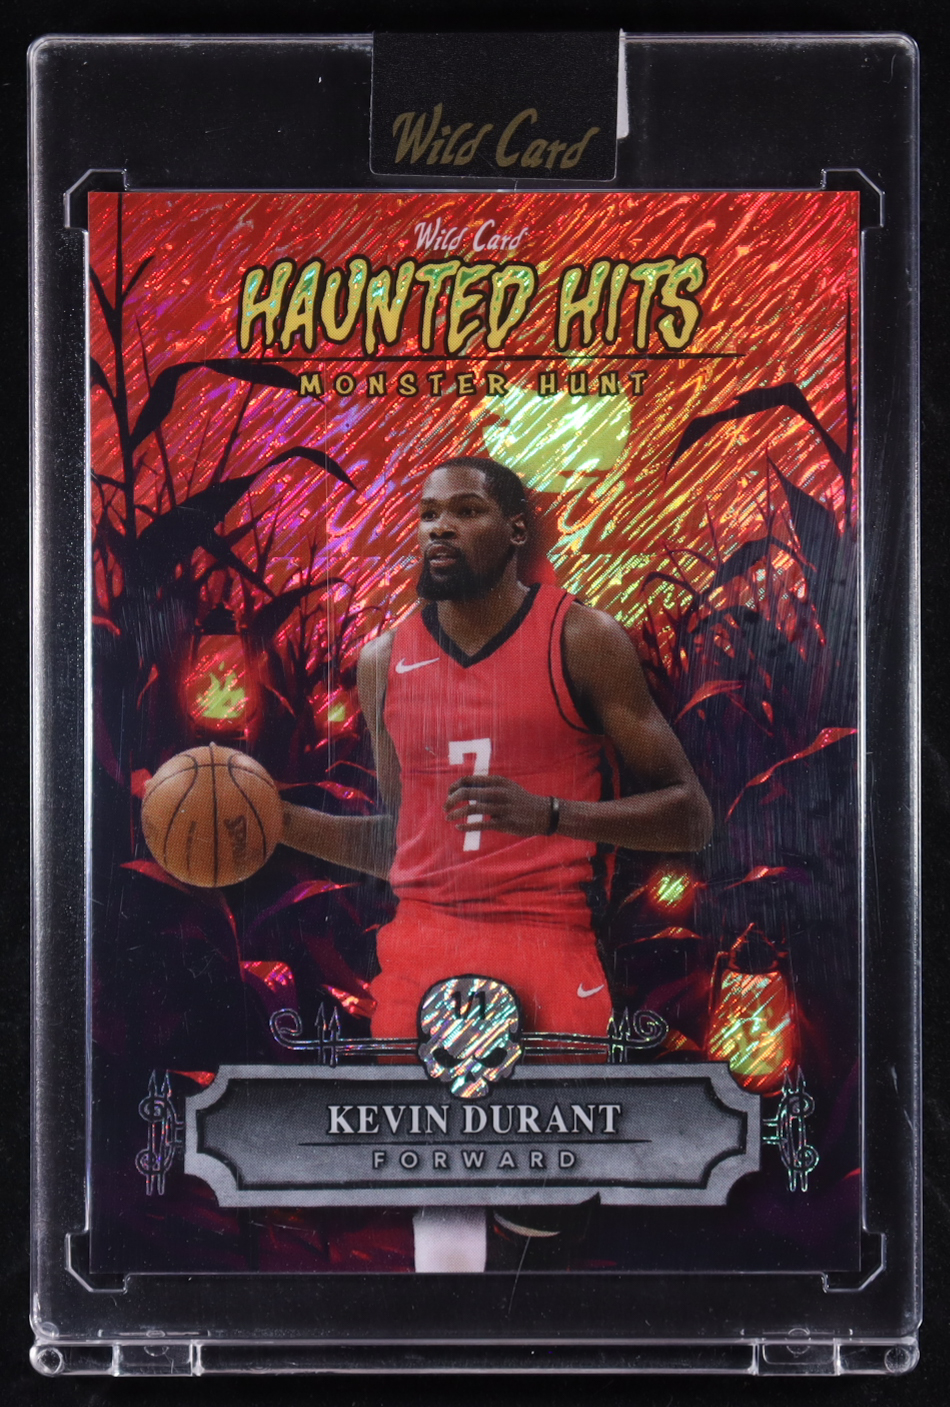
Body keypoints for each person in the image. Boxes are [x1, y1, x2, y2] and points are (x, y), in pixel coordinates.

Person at [281, 454, 712, 1269]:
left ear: (517, 531)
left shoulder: (581, 639)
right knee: (442, 1227)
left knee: (539, 1239)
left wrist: (550, 815)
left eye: (466, 510)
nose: (440, 527)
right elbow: (402, 844)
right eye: (428, 513)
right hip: (423, 948)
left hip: (545, 942)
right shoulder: (384, 661)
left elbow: (689, 814)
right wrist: (278, 824)